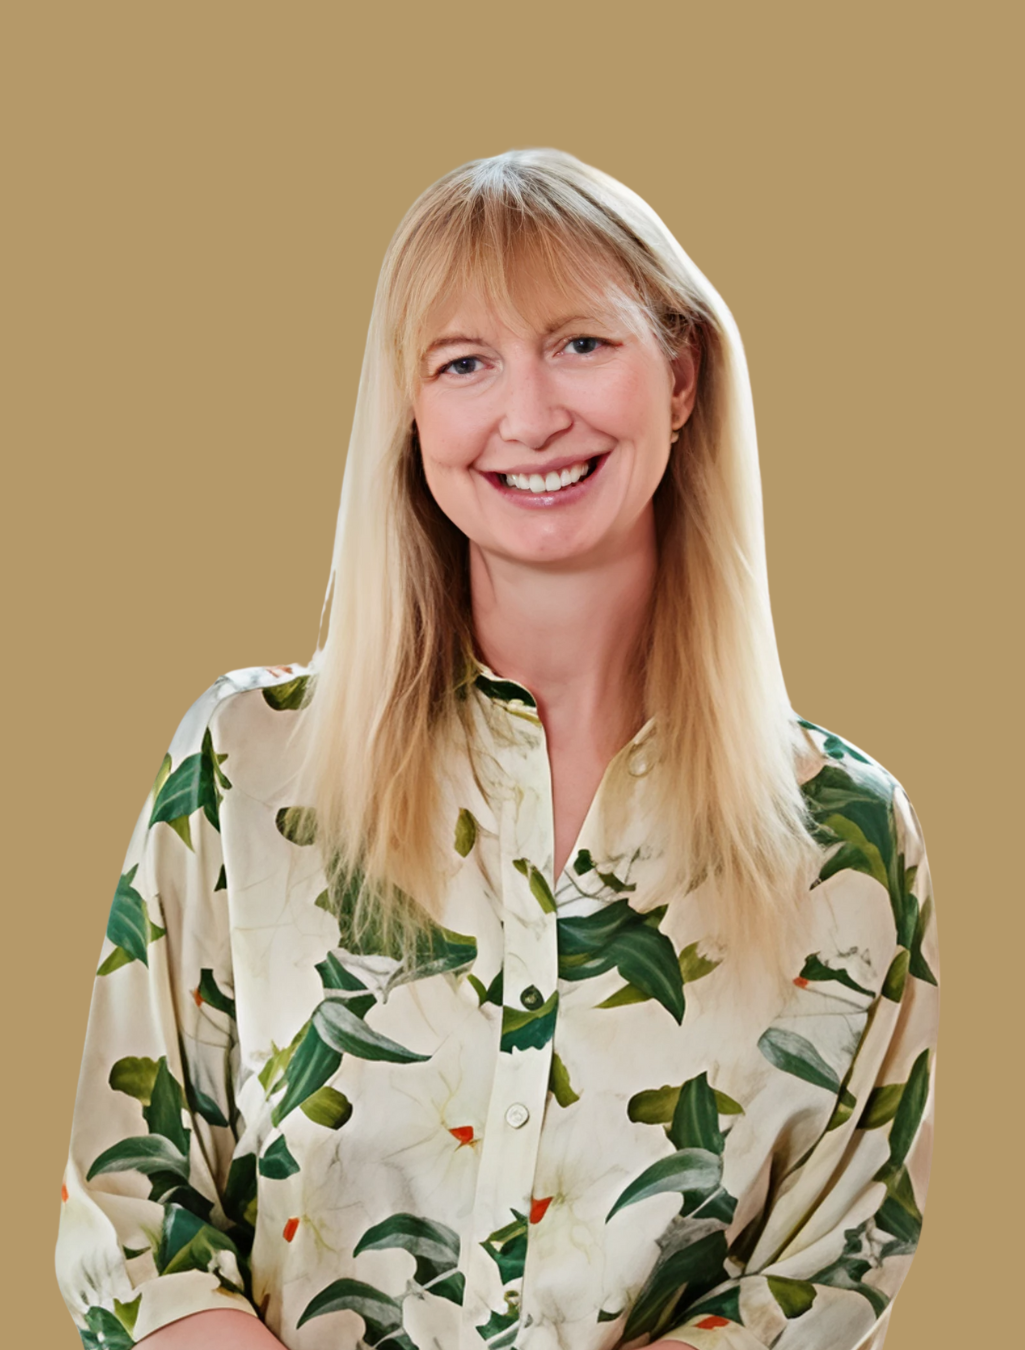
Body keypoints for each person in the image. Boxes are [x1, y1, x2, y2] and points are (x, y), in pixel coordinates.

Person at [56, 149, 940, 1350]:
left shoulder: (845, 835)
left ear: (680, 375)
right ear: (412, 413)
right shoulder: (246, 767)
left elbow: (832, 1272)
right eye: (465, 362)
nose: (529, 416)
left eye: (581, 344)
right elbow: (135, 1209)